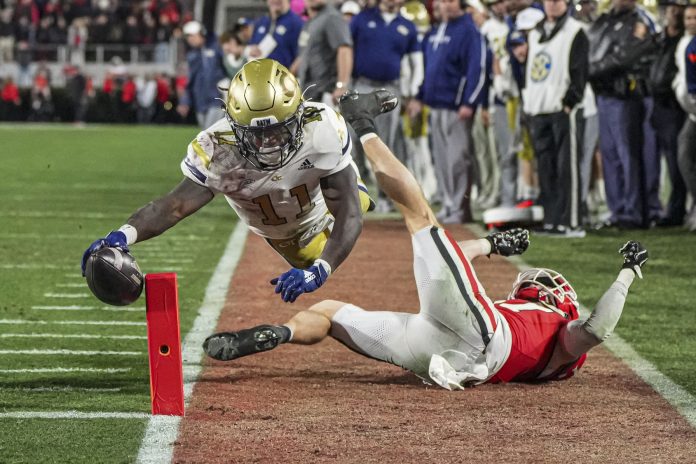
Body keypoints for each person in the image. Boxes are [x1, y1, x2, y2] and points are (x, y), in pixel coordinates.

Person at [203, 89, 649, 390]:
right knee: (331, 314)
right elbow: (457, 266)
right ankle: (279, 333)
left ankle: (362, 124)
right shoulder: (549, 353)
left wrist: (628, 273)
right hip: (446, 351)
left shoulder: (560, 332)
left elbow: (598, 328)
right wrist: (493, 246)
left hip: (482, 336)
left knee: (420, 214)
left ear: (557, 298)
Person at [81, 59, 375, 303]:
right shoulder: (217, 148)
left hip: (319, 203)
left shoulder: (321, 127)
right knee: (305, 261)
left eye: (279, 130)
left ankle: (363, 119)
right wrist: (122, 235)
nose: (269, 142)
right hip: (284, 233)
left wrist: (322, 270)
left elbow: (348, 212)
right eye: (256, 134)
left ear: (299, 114)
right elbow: (175, 206)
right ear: (233, 125)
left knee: (356, 203)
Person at [407, 0, 487, 224]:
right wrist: (420, 97)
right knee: (441, 160)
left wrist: (469, 102)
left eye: (450, 0)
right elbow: (430, 71)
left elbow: (477, 69)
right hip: (436, 104)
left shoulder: (469, 30)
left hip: (456, 106)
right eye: (441, 1)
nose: (444, 5)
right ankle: (448, 202)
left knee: (458, 159)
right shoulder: (435, 31)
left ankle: (461, 207)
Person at [523, 0, 589, 237]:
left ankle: (571, 222)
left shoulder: (575, 31)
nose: (551, 4)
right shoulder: (536, 32)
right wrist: (529, 102)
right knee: (546, 167)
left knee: (566, 166)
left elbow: (580, 70)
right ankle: (551, 219)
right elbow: (532, 71)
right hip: (538, 109)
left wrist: (569, 102)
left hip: (562, 109)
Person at [294, 0, 353, 106]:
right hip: (310, 90)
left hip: (326, 93)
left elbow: (344, 49)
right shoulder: (311, 21)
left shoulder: (332, 17)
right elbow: (304, 55)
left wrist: (342, 85)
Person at [177, 20, 227, 129]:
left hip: (217, 99)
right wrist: (184, 101)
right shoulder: (192, 56)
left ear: (202, 33)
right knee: (206, 137)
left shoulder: (217, 48)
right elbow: (190, 81)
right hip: (200, 102)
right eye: (188, 36)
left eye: (193, 35)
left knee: (209, 134)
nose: (190, 39)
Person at [246, 0, 304, 68]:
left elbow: (302, 56)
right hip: (260, 75)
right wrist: (250, 51)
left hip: (284, 76)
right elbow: (250, 48)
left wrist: (289, 75)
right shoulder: (260, 22)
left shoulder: (297, 24)